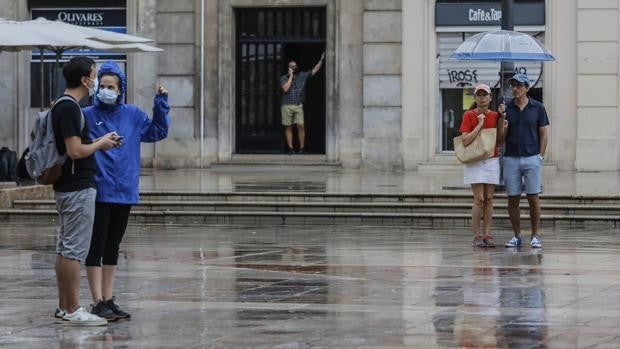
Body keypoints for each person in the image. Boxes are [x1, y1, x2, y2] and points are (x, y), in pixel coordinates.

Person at [83, 61, 170, 321]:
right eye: (103, 85)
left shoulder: (132, 114)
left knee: (113, 245)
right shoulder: (86, 115)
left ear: (121, 89)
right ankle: (96, 301)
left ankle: (108, 299)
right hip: (98, 191)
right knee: (95, 245)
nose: (107, 90)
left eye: (112, 86)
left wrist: (161, 104)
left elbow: (157, 131)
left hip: (125, 190)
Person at [52, 57, 120, 326]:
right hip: (77, 186)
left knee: (65, 249)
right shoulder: (70, 108)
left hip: (70, 186)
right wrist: (100, 143)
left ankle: (63, 307)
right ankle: (74, 309)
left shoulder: (65, 105)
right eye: (93, 75)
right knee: (73, 251)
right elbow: (75, 150)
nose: (96, 80)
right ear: (84, 79)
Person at [501, 73, 549, 249]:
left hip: (531, 157)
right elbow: (500, 138)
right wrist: (502, 122)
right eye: (513, 85)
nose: (515, 89)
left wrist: (540, 156)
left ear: (527, 88)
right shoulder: (506, 108)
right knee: (512, 199)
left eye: (519, 85)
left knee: (533, 197)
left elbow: (543, 133)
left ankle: (535, 236)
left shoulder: (538, 107)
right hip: (511, 158)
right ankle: (517, 236)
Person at [459, 83, 505, 247]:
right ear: (475, 98)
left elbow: (500, 139)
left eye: (484, 94)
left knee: (490, 198)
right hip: (474, 160)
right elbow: (465, 140)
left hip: (491, 159)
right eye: (479, 95)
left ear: (490, 97)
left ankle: (487, 234)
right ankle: (476, 235)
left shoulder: (495, 115)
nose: (482, 97)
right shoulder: (469, 115)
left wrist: (502, 119)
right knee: (479, 199)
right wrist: (479, 125)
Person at [280, 52, 325, 154]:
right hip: (286, 105)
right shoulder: (283, 78)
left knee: (301, 125)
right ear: (288, 67)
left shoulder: (302, 76)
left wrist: (321, 60)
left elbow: (315, 70)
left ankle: (302, 148)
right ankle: (290, 149)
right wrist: (290, 77)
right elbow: (285, 89)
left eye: (295, 66)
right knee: (288, 126)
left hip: (298, 105)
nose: (294, 68)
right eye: (292, 66)